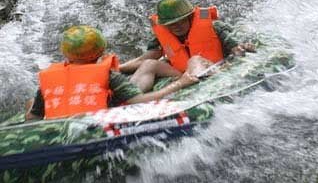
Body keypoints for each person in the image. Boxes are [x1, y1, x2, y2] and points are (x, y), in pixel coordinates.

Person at [25, 25, 197, 120]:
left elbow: (33, 117)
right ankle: (181, 75)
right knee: (150, 66)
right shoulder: (107, 75)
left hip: (60, 125)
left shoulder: (48, 80)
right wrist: (180, 84)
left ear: (65, 53)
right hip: (99, 122)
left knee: (31, 102)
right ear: (101, 52)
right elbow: (137, 101)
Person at [119, 0, 255, 91]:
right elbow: (144, 59)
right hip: (183, 75)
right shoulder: (163, 36)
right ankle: (130, 96)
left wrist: (240, 49)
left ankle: (192, 90)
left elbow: (235, 48)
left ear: (190, 17)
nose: (176, 27)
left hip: (210, 70)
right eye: (171, 24)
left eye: (181, 21)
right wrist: (116, 68)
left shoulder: (214, 26)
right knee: (149, 64)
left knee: (194, 60)